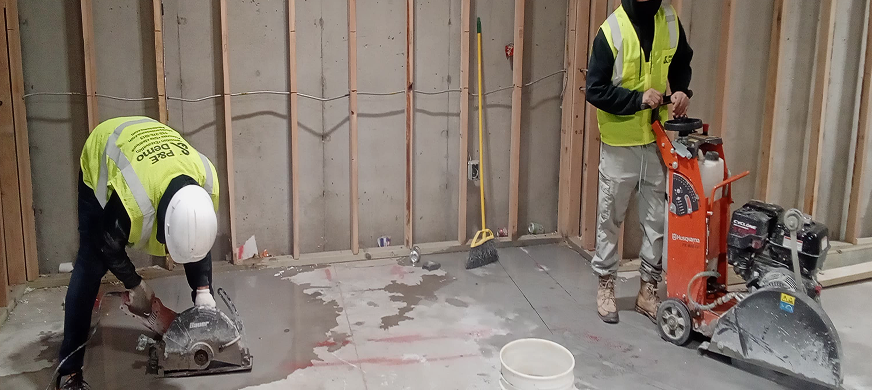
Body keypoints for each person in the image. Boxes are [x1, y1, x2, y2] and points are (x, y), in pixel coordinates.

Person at [56, 117, 221, 389]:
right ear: (163, 227)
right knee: (91, 262)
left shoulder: (207, 183)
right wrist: (135, 284)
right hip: (104, 148)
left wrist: (203, 291)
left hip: (149, 147)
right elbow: (107, 244)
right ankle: (69, 371)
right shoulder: (135, 201)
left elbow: (196, 233)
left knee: (191, 233)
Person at [585, 0, 693, 324]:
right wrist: (637, 99)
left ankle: (648, 290)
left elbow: (681, 61)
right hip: (620, 144)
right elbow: (595, 90)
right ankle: (606, 285)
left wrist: (682, 91)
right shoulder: (611, 32)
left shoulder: (669, 19)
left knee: (656, 219)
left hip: (655, 139)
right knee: (610, 218)